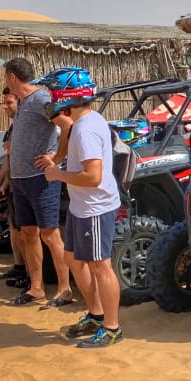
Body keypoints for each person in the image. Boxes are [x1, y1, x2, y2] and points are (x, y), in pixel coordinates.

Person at [34, 67, 125, 349]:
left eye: (53, 92)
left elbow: (93, 176)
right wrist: (57, 156)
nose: (50, 98)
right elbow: (67, 132)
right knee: (73, 258)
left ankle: (112, 327)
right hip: (81, 206)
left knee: (101, 266)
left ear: (66, 96)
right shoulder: (83, 120)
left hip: (95, 207)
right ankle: (96, 314)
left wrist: (57, 174)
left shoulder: (86, 129)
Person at [4, 57, 72, 307]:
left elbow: (67, 125)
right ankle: (36, 289)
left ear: (12, 77)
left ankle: (65, 289)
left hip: (41, 179)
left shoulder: (41, 100)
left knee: (50, 234)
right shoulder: (24, 103)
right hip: (21, 180)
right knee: (28, 234)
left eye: (5, 78)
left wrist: (56, 157)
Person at [0, 87, 28, 289]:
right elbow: (9, 158)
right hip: (15, 183)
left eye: (9, 103)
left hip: (26, 184)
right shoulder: (15, 125)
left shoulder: (26, 125)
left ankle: (31, 277)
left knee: (26, 233)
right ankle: (19, 267)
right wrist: (1, 183)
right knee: (15, 229)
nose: (5, 107)